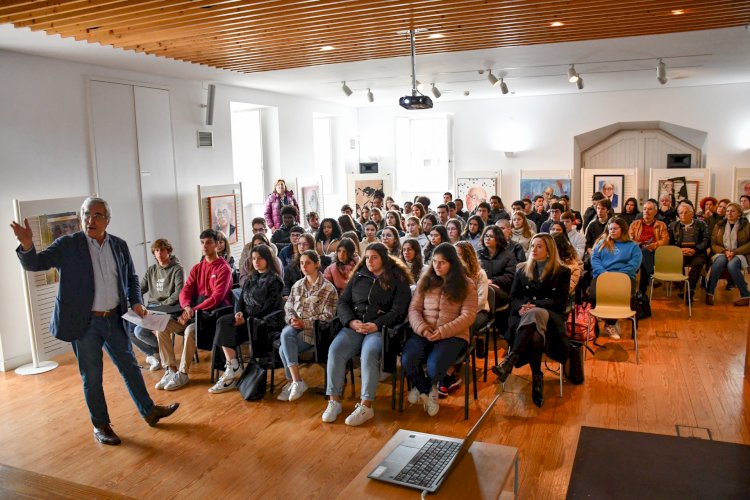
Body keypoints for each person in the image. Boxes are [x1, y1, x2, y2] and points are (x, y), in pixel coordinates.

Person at [12, 197, 178, 445]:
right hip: (84, 323)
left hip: (114, 319)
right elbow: (37, 263)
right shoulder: (68, 245)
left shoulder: (119, 246)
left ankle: (149, 411)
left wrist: (135, 301)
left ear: (107, 220)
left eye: (97, 215)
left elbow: (131, 277)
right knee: (92, 376)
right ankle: (101, 426)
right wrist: (27, 245)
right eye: (87, 214)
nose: (91, 219)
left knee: (130, 367)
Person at [322, 243, 412, 426]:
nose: (370, 261)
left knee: (369, 353)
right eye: (368, 257)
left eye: (375, 257)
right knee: (335, 349)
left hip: (379, 329)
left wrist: (376, 325)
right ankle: (334, 401)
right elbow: (343, 303)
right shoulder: (359, 275)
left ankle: (366, 405)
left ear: (384, 259)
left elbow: (399, 310)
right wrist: (350, 322)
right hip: (355, 326)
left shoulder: (397, 278)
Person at [492, 234, 571, 407]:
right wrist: (521, 308)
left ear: (549, 251)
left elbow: (560, 303)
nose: (533, 249)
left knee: (535, 313)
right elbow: (513, 298)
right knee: (535, 336)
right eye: (532, 246)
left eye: (539, 246)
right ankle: (537, 377)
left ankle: (510, 360)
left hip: (550, 318)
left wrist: (533, 305)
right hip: (522, 320)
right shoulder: (522, 269)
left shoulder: (563, 271)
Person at [403, 243, 478, 416]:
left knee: (434, 366)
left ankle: (424, 388)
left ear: (452, 263)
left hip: (453, 334)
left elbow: (468, 316)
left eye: (442, 262)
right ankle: (427, 391)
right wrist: (422, 328)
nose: (437, 266)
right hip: (424, 331)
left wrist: (442, 331)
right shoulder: (425, 280)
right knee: (408, 359)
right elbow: (414, 309)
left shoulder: (467, 284)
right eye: (434, 261)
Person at [157, 229, 233, 391]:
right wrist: (186, 308)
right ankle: (171, 370)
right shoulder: (197, 268)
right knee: (161, 328)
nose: (204, 246)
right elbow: (185, 291)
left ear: (218, 245)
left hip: (211, 319)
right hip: (191, 315)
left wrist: (192, 311)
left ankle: (183, 373)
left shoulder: (224, 269)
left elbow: (216, 299)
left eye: (208, 242)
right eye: (202, 242)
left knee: (190, 331)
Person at [209, 244, 284, 393]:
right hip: (246, 319)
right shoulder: (251, 278)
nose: (256, 262)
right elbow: (241, 300)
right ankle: (233, 365)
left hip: (262, 322)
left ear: (268, 260)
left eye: (260, 258)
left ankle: (232, 370)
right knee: (222, 321)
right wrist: (239, 313)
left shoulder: (275, 280)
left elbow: (269, 307)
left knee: (229, 326)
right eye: (254, 258)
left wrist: (248, 318)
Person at [277, 249, 339, 401]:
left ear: (317, 264)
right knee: (286, 335)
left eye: (308, 263)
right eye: (302, 263)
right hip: (295, 327)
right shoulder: (297, 285)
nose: (304, 266)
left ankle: (294, 381)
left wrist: (305, 323)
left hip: (316, 332)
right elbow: (289, 307)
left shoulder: (328, 288)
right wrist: (291, 319)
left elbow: (328, 316)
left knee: (282, 349)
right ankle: (296, 381)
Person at [437, 241, 491, 396]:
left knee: (462, 328)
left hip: (478, 311)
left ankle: (451, 370)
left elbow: (481, 300)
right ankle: (444, 367)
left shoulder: (479, 274)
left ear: (467, 256)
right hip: (455, 313)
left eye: (459, 255)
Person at [134, 239, 185, 371]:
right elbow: (140, 289)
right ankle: (154, 353)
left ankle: (159, 352)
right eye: (157, 250)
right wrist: (135, 301)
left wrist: (161, 305)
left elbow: (178, 293)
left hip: (167, 310)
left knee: (138, 331)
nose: (159, 253)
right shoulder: (151, 270)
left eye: (162, 250)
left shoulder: (177, 269)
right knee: (127, 326)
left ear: (168, 251)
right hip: (151, 308)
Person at [590, 218, 642, 339]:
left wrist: (618, 276)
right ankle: (605, 322)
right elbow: (595, 259)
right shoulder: (602, 243)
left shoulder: (632, 246)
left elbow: (634, 264)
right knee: (593, 296)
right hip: (603, 276)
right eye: (610, 228)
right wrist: (604, 273)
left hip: (624, 277)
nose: (612, 231)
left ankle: (610, 324)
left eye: (615, 228)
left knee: (617, 296)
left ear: (623, 229)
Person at [705, 203, 750, 306]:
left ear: (739, 213)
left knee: (732, 265)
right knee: (719, 262)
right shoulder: (719, 225)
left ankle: (746, 295)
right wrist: (725, 251)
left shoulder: (746, 225)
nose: (729, 213)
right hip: (722, 252)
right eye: (728, 211)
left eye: (733, 211)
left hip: (740, 253)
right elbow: (713, 244)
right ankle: (709, 293)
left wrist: (735, 252)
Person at [668, 203, 710, 299]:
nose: (683, 215)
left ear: (692, 213)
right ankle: (681, 286)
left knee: (698, 263)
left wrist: (695, 249)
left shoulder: (701, 224)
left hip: (697, 252)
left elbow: (706, 240)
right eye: (680, 213)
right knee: (677, 262)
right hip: (679, 252)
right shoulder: (672, 225)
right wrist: (679, 250)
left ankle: (690, 289)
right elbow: (669, 242)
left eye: (686, 213)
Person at [628, 200, 669, 294]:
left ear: (655, 212)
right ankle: (649, 278)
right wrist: (641, 244)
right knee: (643, 253)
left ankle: (636, 291)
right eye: (645, 209)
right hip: (638, 250)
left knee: (643, 256)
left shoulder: (661, 225)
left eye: (650, 209)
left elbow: (665, 240)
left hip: (655, 252)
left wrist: (653, 245)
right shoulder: (635, 224)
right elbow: (630, 239)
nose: (646, 211)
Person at [477, 225, 517, 307]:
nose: (487, 238)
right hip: (480, 287)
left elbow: (510, 276)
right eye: (486, 236)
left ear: (498, 239)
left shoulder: (508, 256)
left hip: (501, 290)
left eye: (491, 236)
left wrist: (492, 281)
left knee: (489, 290)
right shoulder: (478, 254)